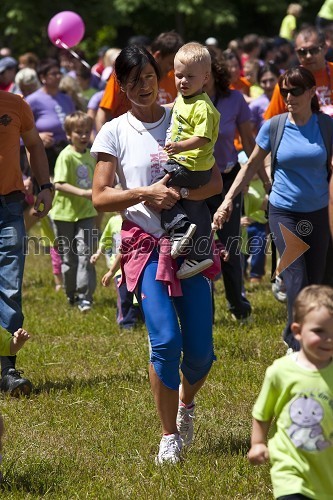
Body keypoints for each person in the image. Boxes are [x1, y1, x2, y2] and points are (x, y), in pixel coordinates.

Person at [91, 45, 222, 464]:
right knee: (165, 342)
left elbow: (215, 181)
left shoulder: (182, 114)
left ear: (159, 74)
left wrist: (179, 192)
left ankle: (186, 404)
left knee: (201, 351)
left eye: (148, 75)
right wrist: (145, 193)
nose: (143, 85)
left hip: (189, 246)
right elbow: (99, 196)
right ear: (121, 85)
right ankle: (169, 436)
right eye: (133, 80)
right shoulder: (113, 131)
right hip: (146, 248)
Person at [213, 67, 332, 351]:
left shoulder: (326, 126)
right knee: (297, 280)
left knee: (315, 284)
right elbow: (251, 164)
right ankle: (297, 345)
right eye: (284, 91)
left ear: (311, 91)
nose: (289, 97)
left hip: (318, 212)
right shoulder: (274, 126)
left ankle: (300, 332)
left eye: (296, 91)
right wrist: (228, 199)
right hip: (284, 212)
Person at [248, 285, 333, 499]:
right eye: (319, 331)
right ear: (297, 331)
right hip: (290, 472)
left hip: (326, 471)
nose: (328, 339)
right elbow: (262, 413)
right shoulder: (281, 371)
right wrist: (258, 443)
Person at [204, 46, 265, 321]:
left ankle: (238, 306)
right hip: (197, 182)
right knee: (200, 247)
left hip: (228, 179)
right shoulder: (187, 101)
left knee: (230, 245)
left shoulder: (236, 100)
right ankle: (205, 310)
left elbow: (251, 144)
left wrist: (265, 178)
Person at [0, 90, 53, 395]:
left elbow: (34, 144)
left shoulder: (15, 103)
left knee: (9, 287)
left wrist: (45, 185)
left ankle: (7, 371)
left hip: (9, 208)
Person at [157, 42, 220, 279]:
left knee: (160, 188)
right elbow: (171, 107)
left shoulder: (203, 106)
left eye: (190, 77)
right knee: (196, 207)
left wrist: (179, 146)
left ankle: (179, 229)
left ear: (205, 78)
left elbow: (202, 137)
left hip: (192, 166)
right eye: (179, 75)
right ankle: (201, 254)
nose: (183, 81)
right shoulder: (185, 98)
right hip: (189, 164)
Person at [50, 111, 97, 312]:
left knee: (86, 254)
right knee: (69, 258)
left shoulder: (93, 156)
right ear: (69, 134)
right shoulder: (66, 155)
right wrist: (84, 192)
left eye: (87, 131)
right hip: (64, 214)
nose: (84, 136)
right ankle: (71, 293)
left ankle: (85, 296)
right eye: (79, 132)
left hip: (87, 213)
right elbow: (58, 184)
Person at [95, 31, 183, 131]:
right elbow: (102, 114)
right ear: (158, 55)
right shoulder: (126, 74)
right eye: (170, 63)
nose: (173, 68)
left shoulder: (173, 77)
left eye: (150, 77)